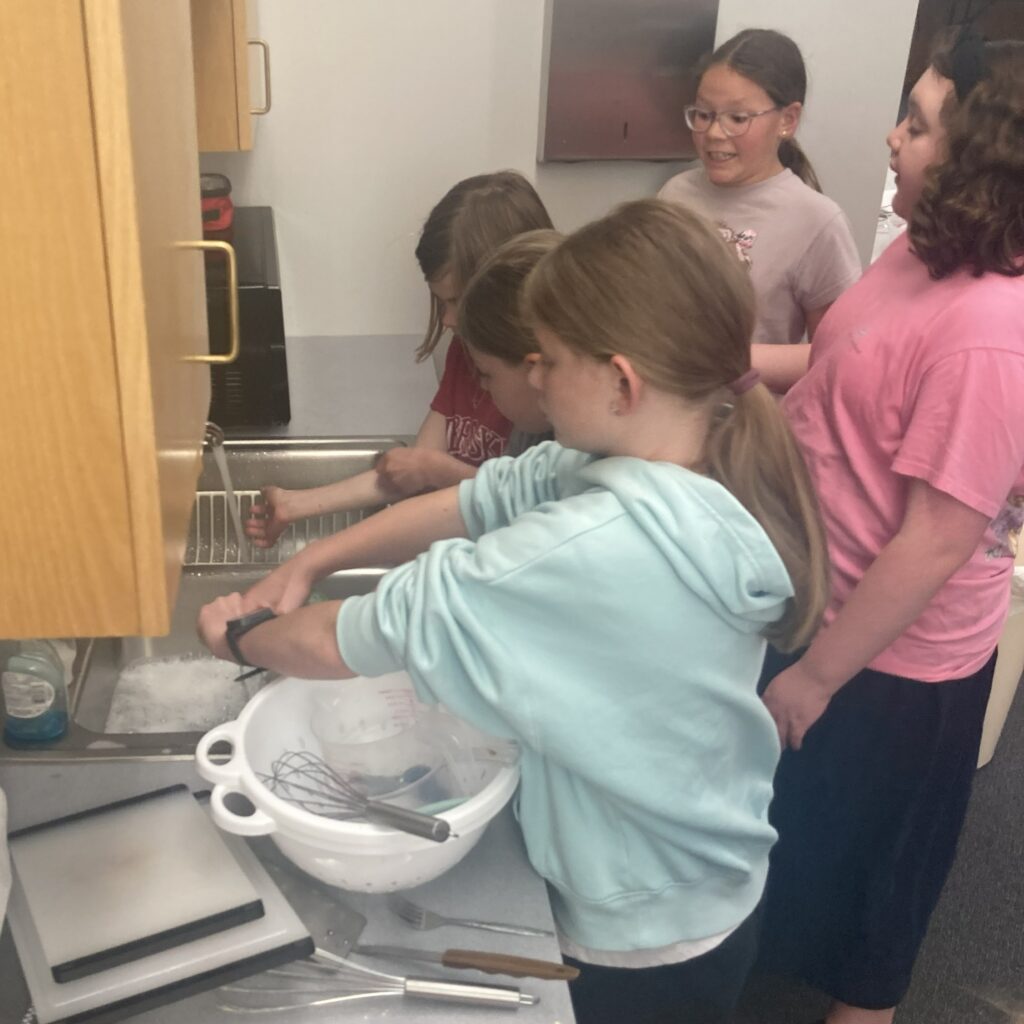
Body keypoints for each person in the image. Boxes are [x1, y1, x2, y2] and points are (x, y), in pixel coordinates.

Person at [198, 199, 830, 1024]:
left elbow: (358, 634)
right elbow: (484, 497)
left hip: (642, 936)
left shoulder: (596, 545)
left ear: (621, 380)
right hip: (706, 877)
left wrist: (238, 634)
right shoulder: (685, 453)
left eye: (551, 361)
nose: (531, 379)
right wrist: (314, 557)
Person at [757, 33, 1024, 1024]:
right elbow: (841, 364)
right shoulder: (918, 250)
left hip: (890, 663)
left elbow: (936, 538)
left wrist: (819, 673)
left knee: (873, 883)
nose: (890, 135)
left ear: (979, 159)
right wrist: (732, 360)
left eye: (916, 125)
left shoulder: (991, 329)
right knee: (798, 841)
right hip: (816, 599)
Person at [244, 171, 554, 549]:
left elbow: (525, 509)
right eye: (441, 302)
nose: (448, 320)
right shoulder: (465, 355)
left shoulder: (546, 403)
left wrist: (438, 471)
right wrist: (295, 505)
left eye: (457, 301)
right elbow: (411, 468)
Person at [657, 28, 861, 390]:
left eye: (738, 119)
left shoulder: (816, 221)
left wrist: (725, 364)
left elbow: (838, 355)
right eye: (703, 114)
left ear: (787, 120)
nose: (715, 133)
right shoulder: (675, 194)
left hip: (750, 430)